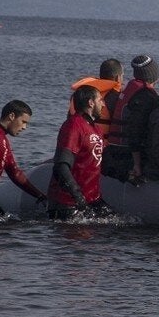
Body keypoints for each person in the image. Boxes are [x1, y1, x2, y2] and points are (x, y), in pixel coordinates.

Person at [48, 84, 113, 219]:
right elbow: (61, 166)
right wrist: (78, 196)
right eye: (100, 100)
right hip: (69, 203)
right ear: (90, 103)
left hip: (92, 199)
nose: (103, 104)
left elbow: (101, 162)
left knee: (116, 225)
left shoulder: (96, 129)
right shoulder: (73, 126)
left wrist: (127, 175)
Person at [111, 55, 159, 182]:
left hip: (116, 147)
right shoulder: (145, 96)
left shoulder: (130, 88)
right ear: (153, 76)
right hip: (127, 153)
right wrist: (137, 164)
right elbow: (135, 130)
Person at [70, 58, 124, 140]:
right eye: (122, 75)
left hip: (78, 141)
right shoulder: (115, 96)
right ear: (118, 78)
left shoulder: (79, 92)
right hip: (102, 144)